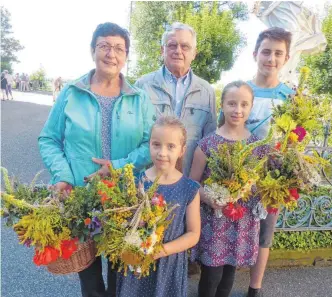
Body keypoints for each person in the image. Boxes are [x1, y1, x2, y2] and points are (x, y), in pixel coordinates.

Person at [38, 22, 156, 297]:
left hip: (124, 202)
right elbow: (48, 139)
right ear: (93, 51)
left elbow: (150, 145)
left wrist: (117, 166)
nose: (111, 54)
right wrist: (63, 175)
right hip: (80, 200)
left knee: (120, 279)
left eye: (118, 48)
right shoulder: (71, 93)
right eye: (104, 46)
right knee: (90, 283)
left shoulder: (139, 99)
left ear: (126, 56)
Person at [190, 81, 268, 297]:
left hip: (242, 223)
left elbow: (262, 184)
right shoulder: (207, 144)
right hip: (214, 223)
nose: (238, 110)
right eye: (232, 103)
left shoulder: (256, 147)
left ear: (251, 107)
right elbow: (192, 183)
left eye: (244, 104)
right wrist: (208, 197)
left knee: (228, 277)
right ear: (222, 105)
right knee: (211, 276)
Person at [112, 116, 201, 297]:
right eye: (156, 144)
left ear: (182, 150)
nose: (162, 152)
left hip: (169, 265)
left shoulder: (189, 189)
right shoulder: (136, 182)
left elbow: (193, 234)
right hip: (136, 263)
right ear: (149, 145)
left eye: (170, 146)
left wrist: (162, 251)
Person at [246, 27, 295, 297]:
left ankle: (255, 287)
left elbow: (295, 139)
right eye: (266, 52)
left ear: (286, 58)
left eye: (278, 53)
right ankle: (224, 280)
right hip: (239, 173)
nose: (271, 59)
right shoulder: (242, 90)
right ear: (255, 54)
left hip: (273, 177)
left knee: (265, 233)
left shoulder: (290, 97)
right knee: (235, 224)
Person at [135, 22, 217, 177]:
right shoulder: (143, 86)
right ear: (162, 50)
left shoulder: (207, 92)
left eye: (185, 46)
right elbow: (135, 138)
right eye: (172, 45)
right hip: (148, 183)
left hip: (189, 182)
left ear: (194, 53)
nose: (178, 51)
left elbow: (209, 143)